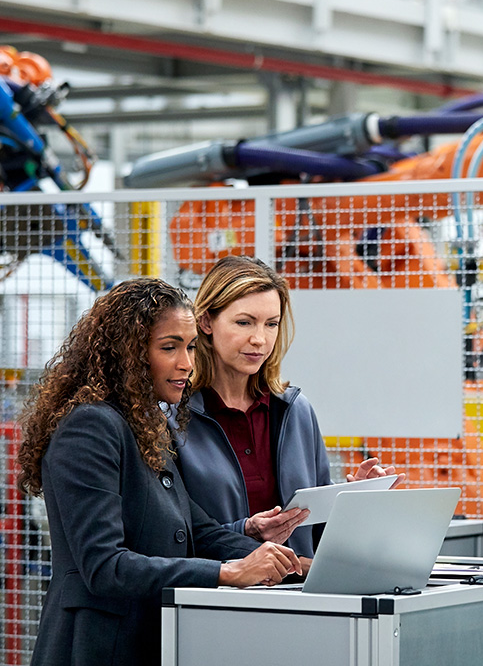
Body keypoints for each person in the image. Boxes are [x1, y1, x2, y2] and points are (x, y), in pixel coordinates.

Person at [16, 278, 302, 666]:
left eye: (189, 347)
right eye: (169, 348)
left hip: (147, 641)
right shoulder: (89, 427)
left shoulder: (145, 423)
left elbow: (197, 531)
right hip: (96, 648)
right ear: (128, 354)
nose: (186, 363)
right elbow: (105, 566)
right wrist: (227, 572)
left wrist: (292, 564)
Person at [169, 255, 404, 571]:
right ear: (206, 322)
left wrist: (356, 501)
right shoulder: (172, 417)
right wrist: (245, 532)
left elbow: (321, 537)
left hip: (296, 601)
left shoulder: (296, 412)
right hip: (210, 602)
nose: (260, 339)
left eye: (271, 324)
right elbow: (167, 538)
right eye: (244, 322)